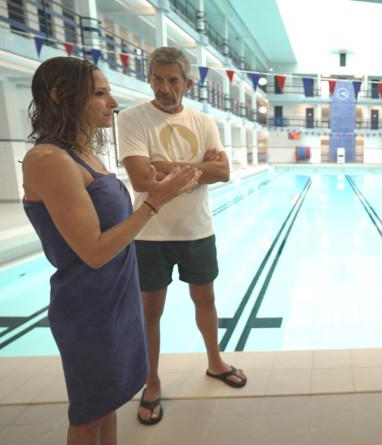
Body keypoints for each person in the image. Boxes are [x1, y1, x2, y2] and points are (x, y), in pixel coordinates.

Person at [22, 57, 200, 444]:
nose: (112, 102)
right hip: (88, 309)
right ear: (60, 95)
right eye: (100, 93)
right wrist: (155, 201)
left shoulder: (82, 153)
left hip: (116, 301)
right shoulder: (49, 160)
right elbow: (95, 252)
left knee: (109, 404)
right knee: (87, 415)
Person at [118, 47, 246, 426]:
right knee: (150, 310)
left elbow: (222, 173)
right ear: (149, 79)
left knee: (205, 299)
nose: (164, 87)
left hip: (197, 229)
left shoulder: (204, 120)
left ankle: (215, 362)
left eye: (172, 80)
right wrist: (198, 169)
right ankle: (152, 382)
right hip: (150, 232)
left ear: (188, 83)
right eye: (157, 78)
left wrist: (166, 169)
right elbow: (142, 179)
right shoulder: (132, 119)